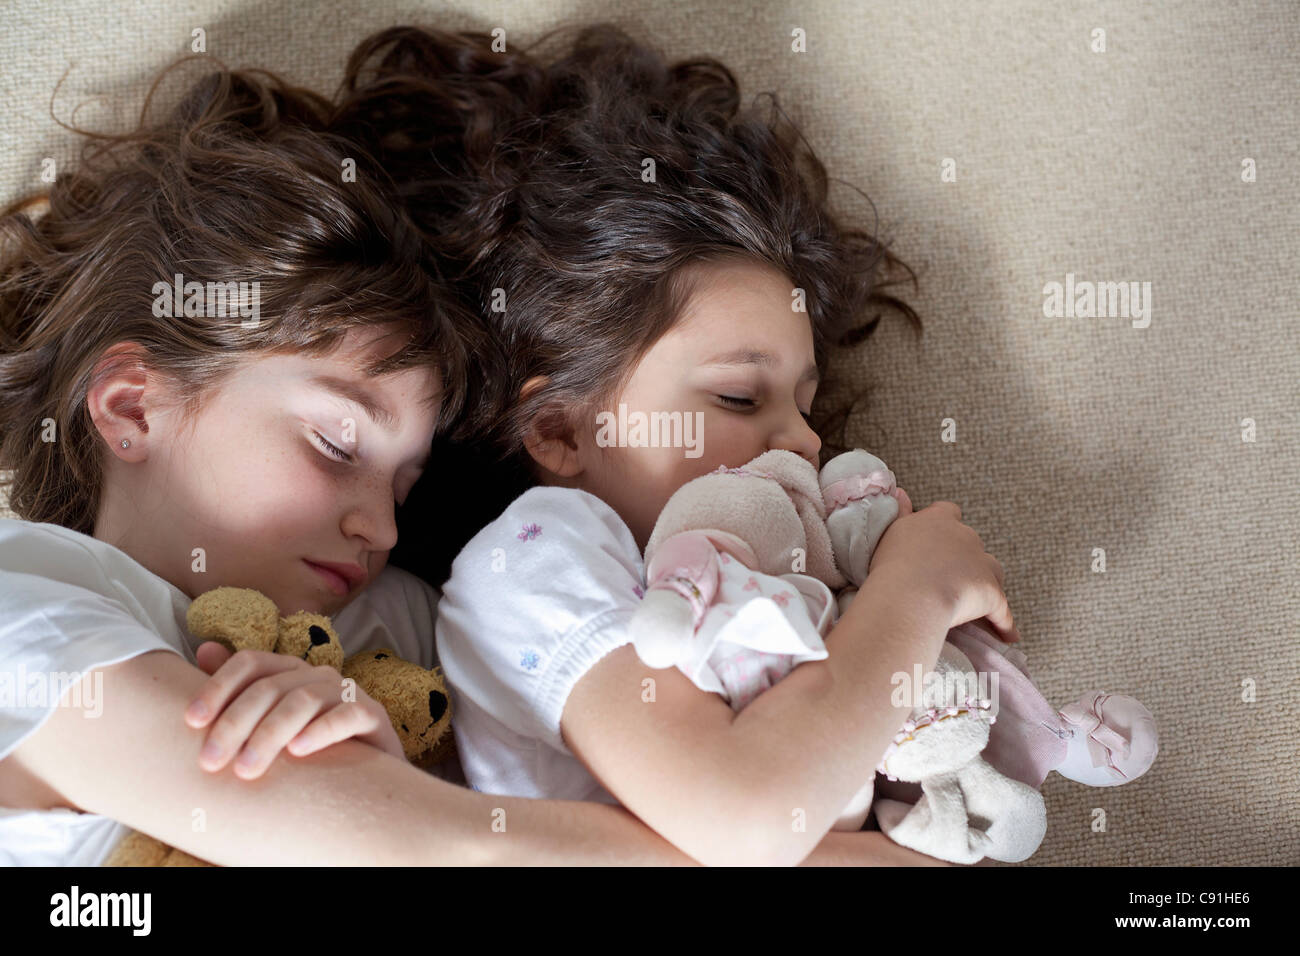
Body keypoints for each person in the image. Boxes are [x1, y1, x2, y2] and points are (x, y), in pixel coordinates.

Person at [0, 39, 952, 867]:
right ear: (132, 407)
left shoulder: (399, 630)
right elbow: (451, 851)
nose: (379, 524)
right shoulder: (27, 615)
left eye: (408, 480)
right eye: (336, 441)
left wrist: (388, 758)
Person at [331, 25, 1020, 867]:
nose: (804, 438)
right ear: (558, 429)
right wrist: (918, 590)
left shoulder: (807, 578)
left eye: (808, 404)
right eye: (738, 394)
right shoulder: (533, 559)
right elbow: (751, 815)